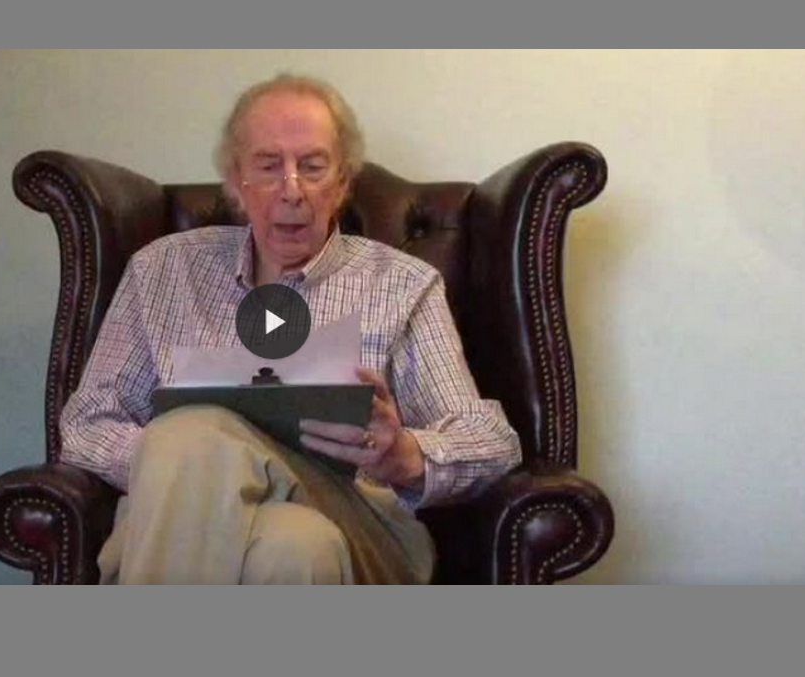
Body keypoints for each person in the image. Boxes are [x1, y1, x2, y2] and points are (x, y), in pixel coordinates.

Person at [58, 73, 522, 584]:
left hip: (358, 523)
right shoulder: (163, 271)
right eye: (268, 166)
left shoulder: (402, 284)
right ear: (236, 181)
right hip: (264, 537)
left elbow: (490, 442)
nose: (292, 189)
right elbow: (87, 423)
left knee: (191, 435)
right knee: (294, 548)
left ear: (342, 183)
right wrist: (187, 470)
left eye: (313, 167)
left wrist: (404, 455)